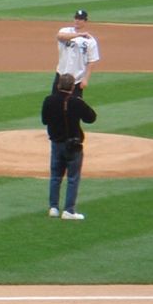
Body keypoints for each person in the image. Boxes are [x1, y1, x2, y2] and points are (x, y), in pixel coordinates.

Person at [40, 73, 97, 220]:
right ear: (72, 87)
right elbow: (91, 118)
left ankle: (53, 207)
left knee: (55, 176)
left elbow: (44, 120)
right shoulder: (76, 102)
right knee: (72, 178)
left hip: (56, 144)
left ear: (58, 86)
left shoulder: (49, 100)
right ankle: (69, 210)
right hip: (73, 145)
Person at [54, 9, 100, 95]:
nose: (77, 21)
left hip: (77, 79)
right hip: (61, 75)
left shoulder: (90, 40)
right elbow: (60, 36)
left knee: (74, 105)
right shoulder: (65, 31)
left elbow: (92, 60)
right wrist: (79, 34)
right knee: (55, 103)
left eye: (80, 19)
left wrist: (86, 79)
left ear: (85, 21)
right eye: (76, 18)